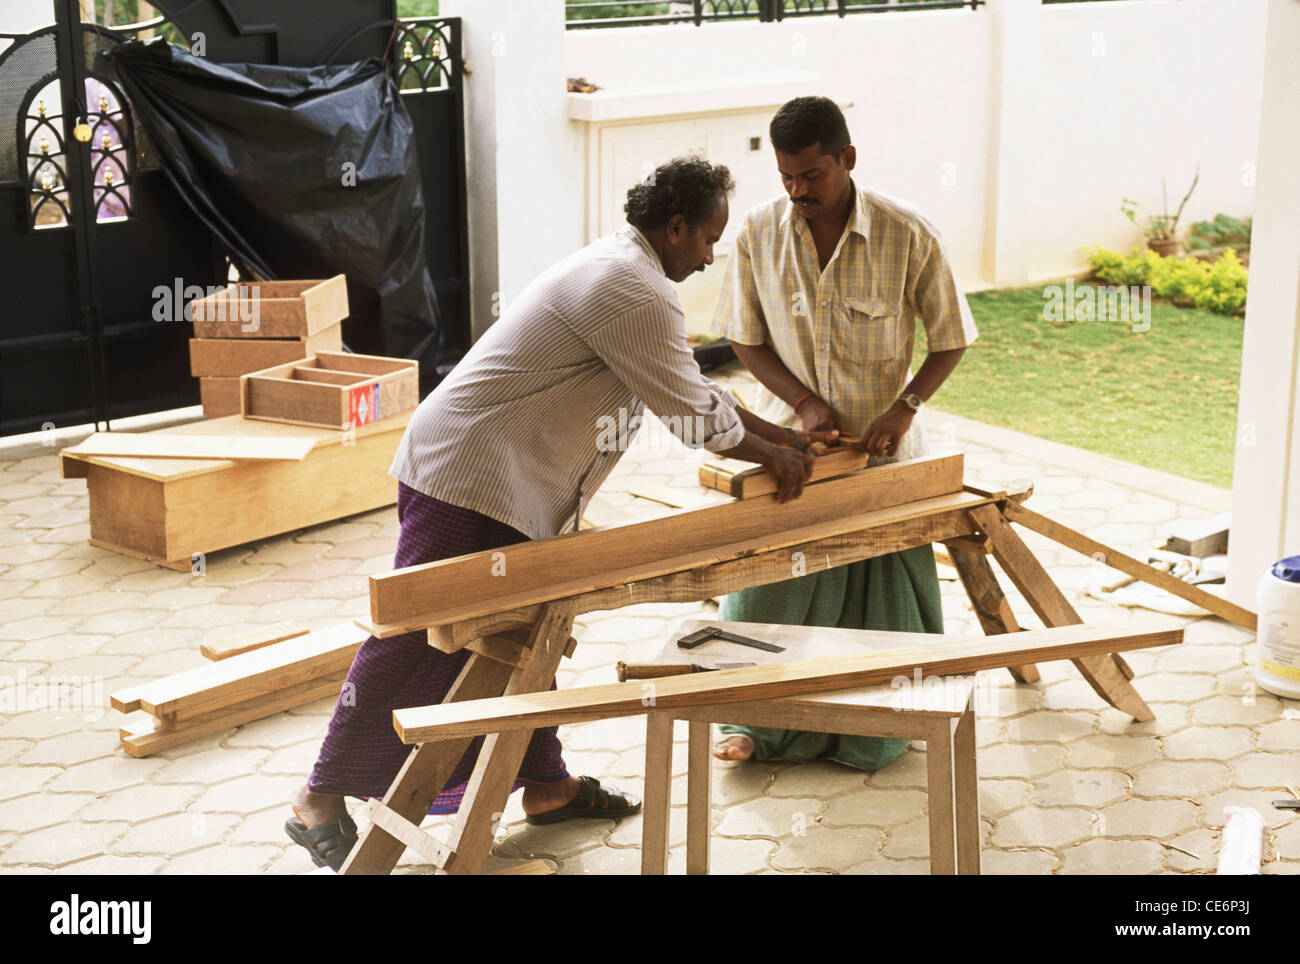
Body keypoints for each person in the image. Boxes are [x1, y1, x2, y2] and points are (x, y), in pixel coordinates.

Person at [287, 155, 820, 870]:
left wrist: (781, 437)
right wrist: (773, 456)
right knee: (417, 631)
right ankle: (317, 796)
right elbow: (693, 416)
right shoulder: (633, 287)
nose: (708, 257)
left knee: (526, 631)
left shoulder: (624, 269)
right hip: (468, 474)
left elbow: (692, 387)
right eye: (707, 239)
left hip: (501, 478)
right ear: (675, 226)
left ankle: (546, 785)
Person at [711, 96, 978, 768]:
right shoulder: (758, 232)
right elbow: (744, 339)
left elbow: (952, 338)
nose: (799, 191)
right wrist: (803, 403)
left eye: (813, 176)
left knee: (884, 597)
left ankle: (874, 731)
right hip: (794, 452)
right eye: (787, 178)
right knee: (771, 581)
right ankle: (753, 724)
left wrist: (905, 406)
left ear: (847, 159)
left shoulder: (908, 233)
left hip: (884, 458)